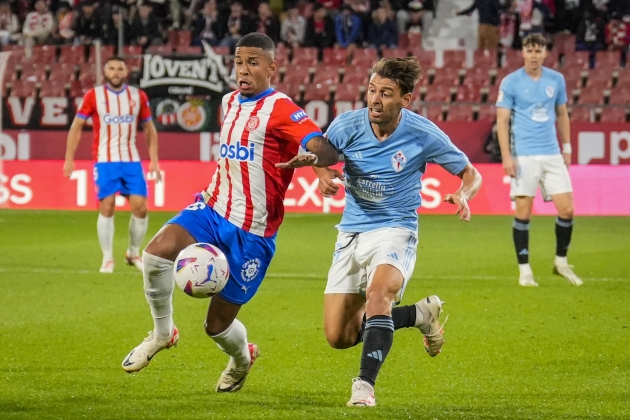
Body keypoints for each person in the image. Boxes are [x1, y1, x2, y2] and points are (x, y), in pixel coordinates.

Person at [120, 33, 340, 394]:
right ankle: (163, 333)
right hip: (212, 205)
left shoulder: (281, 108)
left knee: (216, 327)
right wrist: (315, 165)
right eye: (239, 61)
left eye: (253, 62)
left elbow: (316, 145)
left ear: (272, 68)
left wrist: (319, 162)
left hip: (252, 231)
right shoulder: (228, 101)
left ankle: (242, 359)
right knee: (155, 254)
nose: (243, 69)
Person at [287, 57, 482, 407]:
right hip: (352, 232)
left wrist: (463, 195)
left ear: (405, 100)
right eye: (372, 90)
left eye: (386, 93)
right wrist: (322, 175)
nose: (375, 99)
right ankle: (420, 314)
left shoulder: (422, 133)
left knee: (379, 295)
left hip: (396, 228)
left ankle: (364, 387)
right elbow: (320, 154)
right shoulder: (347, 125)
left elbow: (471, 172)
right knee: (340, 336)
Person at [495, 33, 582, 287]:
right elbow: (502, 121)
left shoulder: (557, 80)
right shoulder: (510, 82)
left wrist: (567, 147)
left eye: (538, 50)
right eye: (529, 50)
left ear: (545, 53)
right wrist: (507, 156)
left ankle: (561, 262)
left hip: (552, 153)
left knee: (567, 209)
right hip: (524, 155)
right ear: (523, 53)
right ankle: (525, 270)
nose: (534, 55)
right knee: (524, 213)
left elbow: (562, 114)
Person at [63, 56, 161, 274]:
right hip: (104, 160)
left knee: (141, 207)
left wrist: (154, 160)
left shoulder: (137, 96)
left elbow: (149, 129)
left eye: (120, 68)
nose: (116, 72)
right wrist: (69, 157)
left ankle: (133, 253)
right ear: (105, 73)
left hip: (131, 160)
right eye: (112, 68)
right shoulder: (93, 95)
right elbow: (76, 126)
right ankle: (107, 258)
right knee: (106, 206)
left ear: (126, 72)